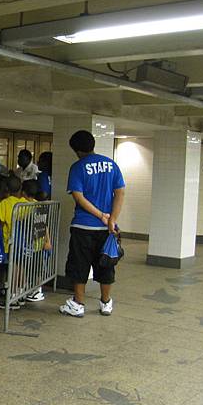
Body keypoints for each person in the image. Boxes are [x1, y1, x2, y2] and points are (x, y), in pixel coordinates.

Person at [60, 130, 125, 318]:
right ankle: (105, 303)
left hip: (83, 226)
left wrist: (101, 215)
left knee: (79, 264)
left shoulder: (78, 167)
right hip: (106, 229)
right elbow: (120, 192)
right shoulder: (111, 165)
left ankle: (78, 304)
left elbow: (79, 198)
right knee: (106, 263)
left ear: (77, 150)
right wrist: (111, 219)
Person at [0, 174, 22, 311]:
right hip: (22, 243)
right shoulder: (24, 202)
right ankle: (18, 294)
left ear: (5, 189)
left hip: (8, 242)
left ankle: (11, 298)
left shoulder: (4, 204)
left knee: (11, 269)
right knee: (19, 267)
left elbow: (0, 223)